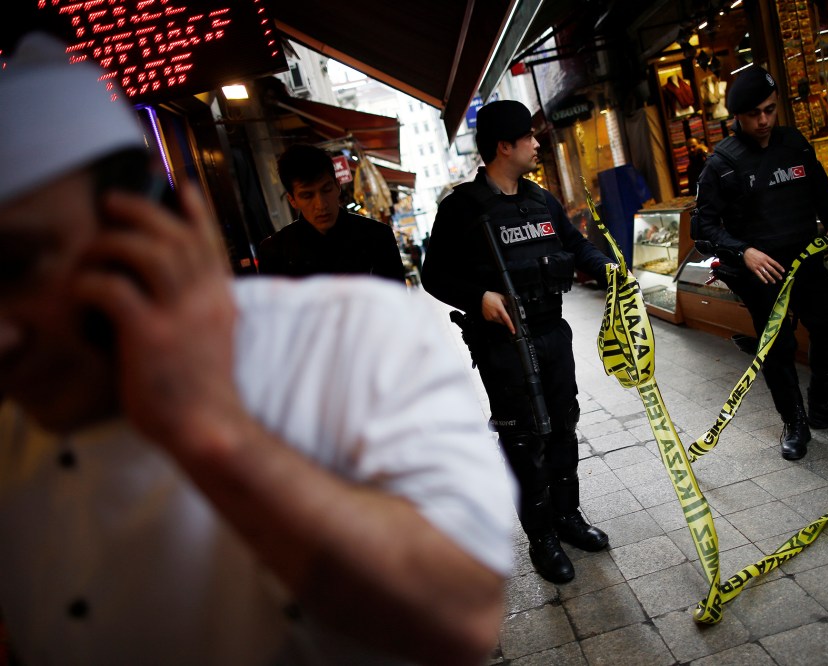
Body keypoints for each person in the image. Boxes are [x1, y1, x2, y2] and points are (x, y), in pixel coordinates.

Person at [0, 32, 516, 666]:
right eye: (307, 195)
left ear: (151, 233)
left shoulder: (370, 331)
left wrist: (214, 431)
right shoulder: (12, 440)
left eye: (19, 268)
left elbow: (458, 613)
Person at [421, 100, 615, 584]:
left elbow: (575, 244)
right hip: (503, 345)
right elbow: (432, 274)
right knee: (523, 437)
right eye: (528, 137)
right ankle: (542, 538)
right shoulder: (461, 209)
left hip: (553, 333)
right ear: (503, 146)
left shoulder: (542, 200)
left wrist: (608, 268)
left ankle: (568, 518)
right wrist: (478, 296)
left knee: (564, 425)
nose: (536, 144)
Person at [690, 64, 828, 462]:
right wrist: (744, 252)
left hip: (806, 259)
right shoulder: (722, 164)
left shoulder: (795, 144)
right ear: (736, 116)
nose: (764, 120)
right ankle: (795, 421)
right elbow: (703, 229)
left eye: (770, 109)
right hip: (762, 272)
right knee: (778, 346)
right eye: (755, 113)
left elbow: (820, 190)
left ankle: (822, 406)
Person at [256, 143, 406, 283]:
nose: (321, 205)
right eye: (307, 195)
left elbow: (397, 305)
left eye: (326, 190)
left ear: (337, 186)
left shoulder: (377, 236)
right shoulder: (275, 253)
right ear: (292, 200)